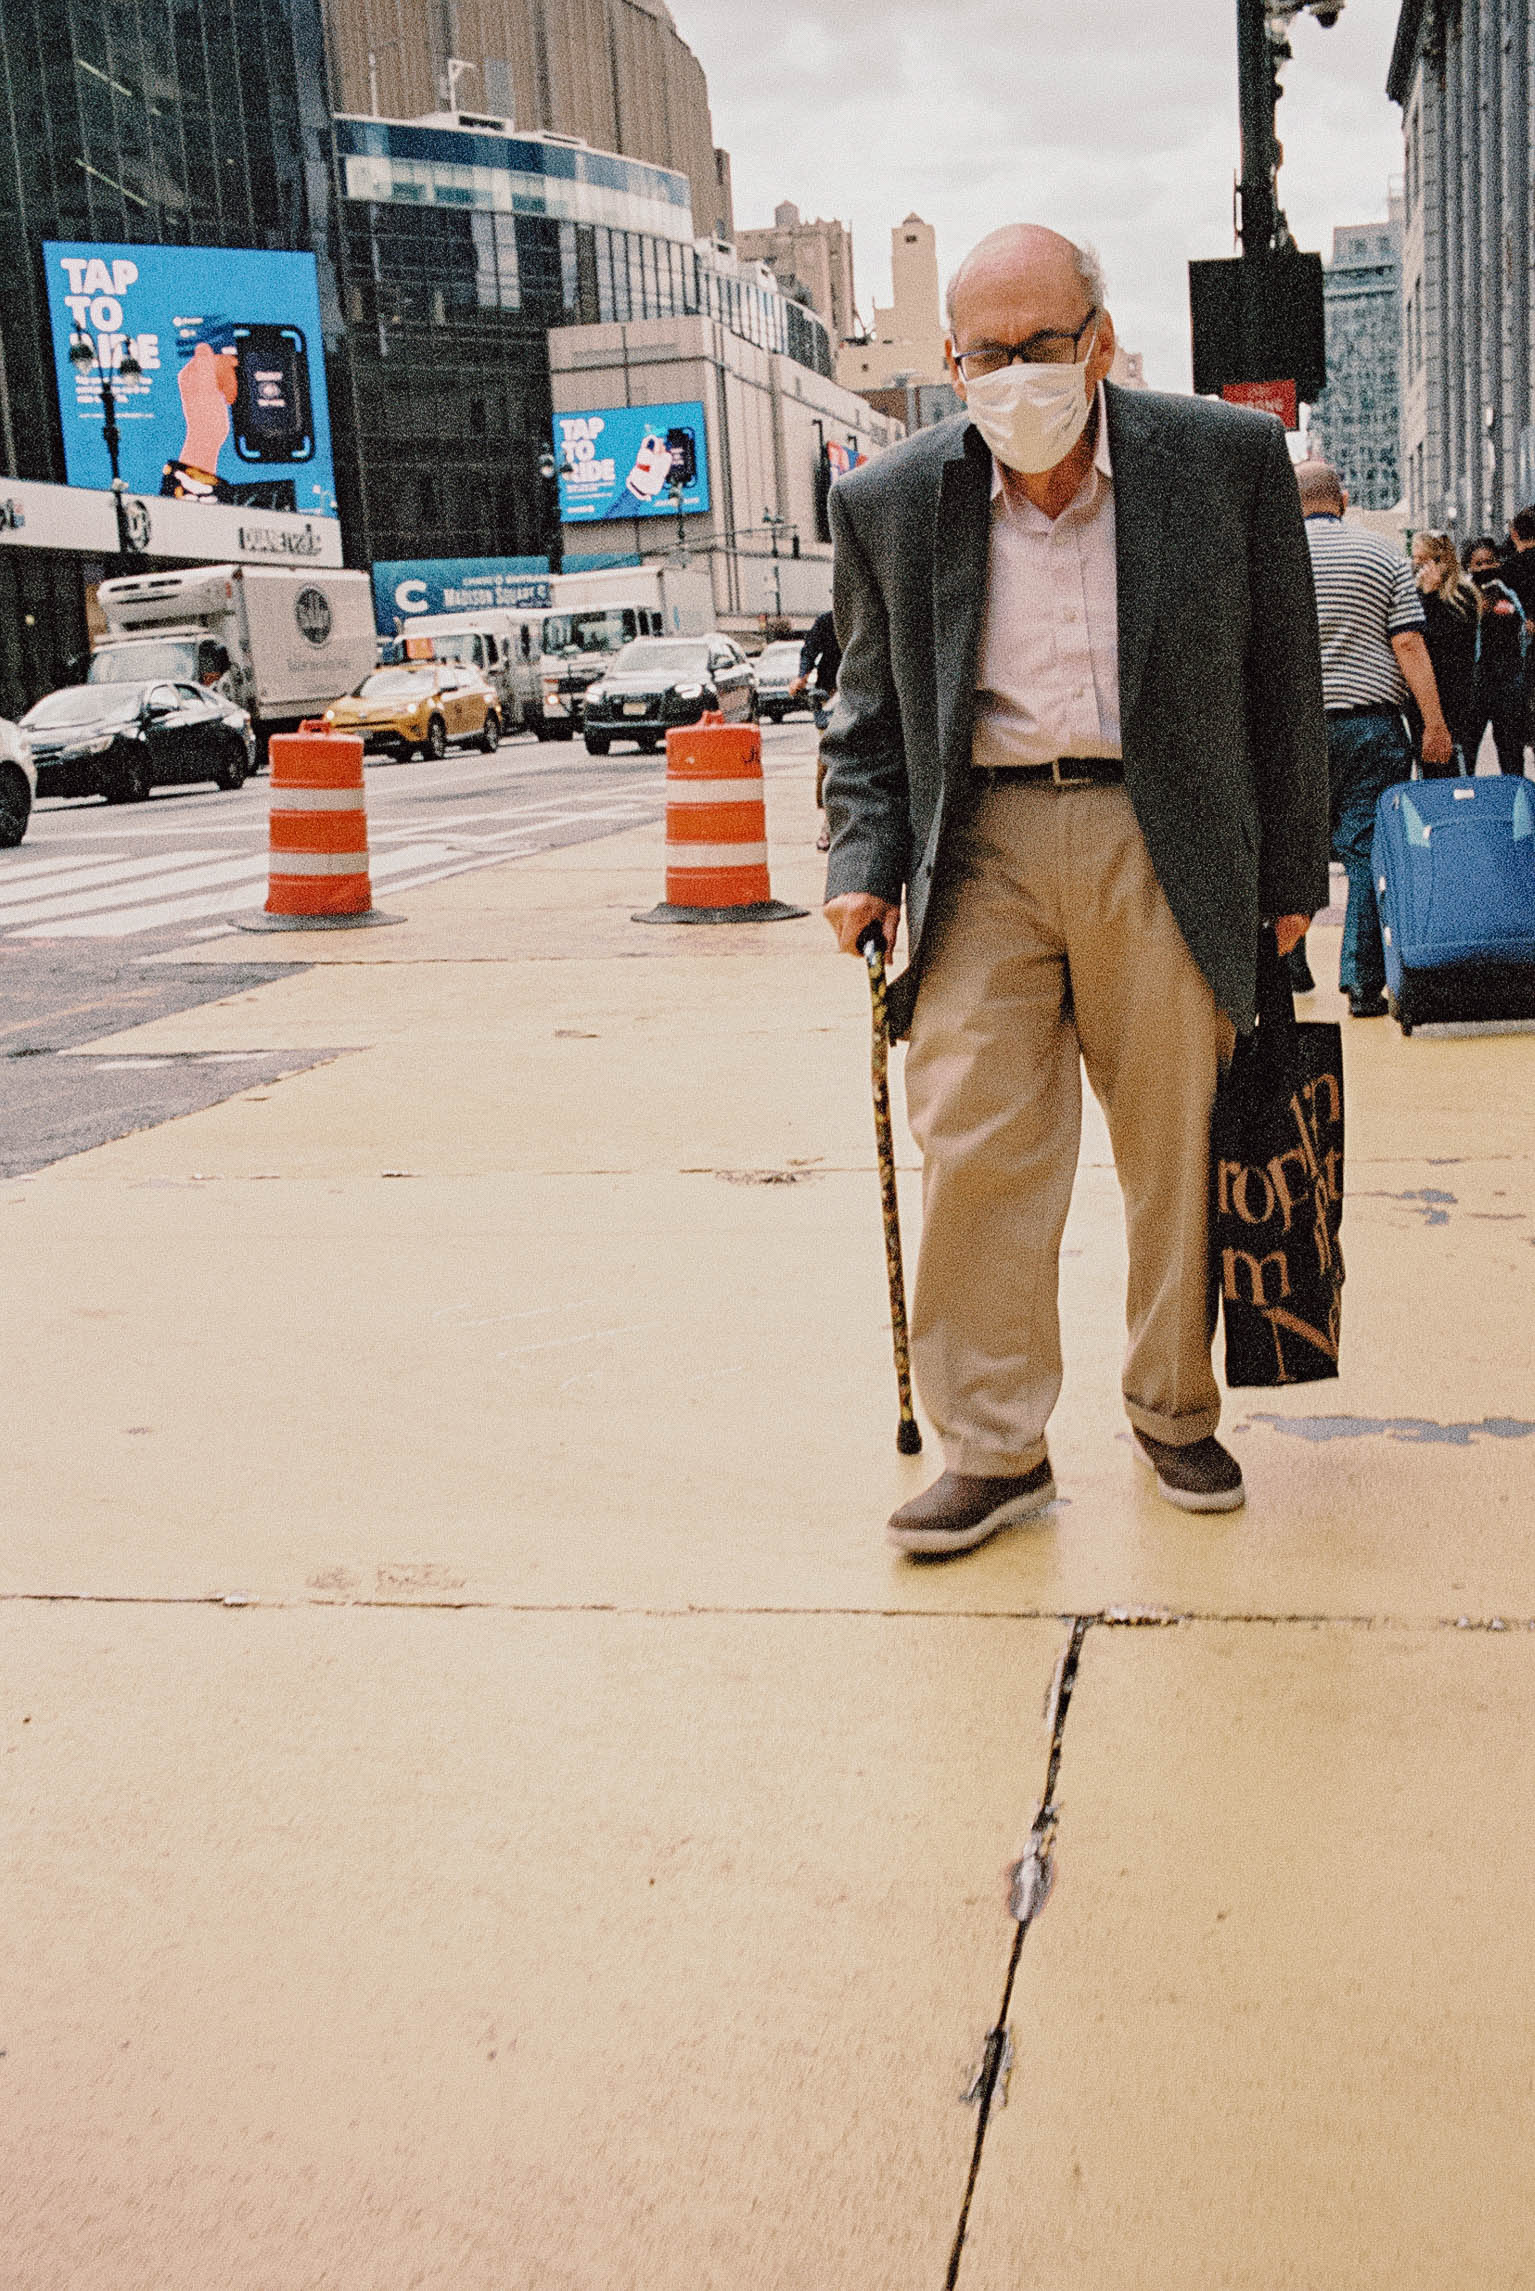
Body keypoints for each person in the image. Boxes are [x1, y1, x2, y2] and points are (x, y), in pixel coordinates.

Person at [821, 224, 1329, 1555]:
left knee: (1174, 1143)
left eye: (1037, 345)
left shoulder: (1220, 461)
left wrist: (1290, 870)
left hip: (1158, 835)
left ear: (1095, 341)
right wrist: (859, 862)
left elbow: (1283, 682)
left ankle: (1171, 1405)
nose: (1011, 375)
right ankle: (992, 1449)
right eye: (980, 354)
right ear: (950, 363)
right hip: (979, 845)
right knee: (973, 1142)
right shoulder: (889, 499)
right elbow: (863, 713)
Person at [1292, 462, 1451, 1016]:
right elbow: (1407, 644)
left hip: (1294, 728)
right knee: (1364, 849)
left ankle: (1290, 965)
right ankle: (1362, 983)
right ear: (1342, 499)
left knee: (1294, 844)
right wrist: (1434, 723)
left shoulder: (1270, 555)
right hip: (1371, 725)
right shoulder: (1382, 555)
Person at [1408, 530, 1478, 773]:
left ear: (1440, 561)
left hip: (1454, 695)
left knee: (1454, 765)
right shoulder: (1415, 593)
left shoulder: (1463, 596)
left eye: (1422, 559)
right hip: (1421, 695)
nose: (1416, 566)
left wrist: (1431, 598)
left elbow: (1442, 639)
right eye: (1414, 559)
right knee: (1426, 764)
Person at [1464, 536, 1527, 775]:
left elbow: (1522, 624)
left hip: (1507, 679)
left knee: (1510, 748)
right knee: (1468, 747)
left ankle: (1513, 793)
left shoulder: (1507, 590)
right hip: (1475, 681)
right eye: (1478, 564)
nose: (1485, 568)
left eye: (1490, 561)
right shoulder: (1465, 593)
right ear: (1468, 566)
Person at [792, 609, 842, 851]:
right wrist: (802, 676)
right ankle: (828, 821)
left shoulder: (867, 611)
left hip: (862, 691)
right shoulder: (827, 622)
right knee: (829, 756)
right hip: (830, 694)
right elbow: (809, 650)